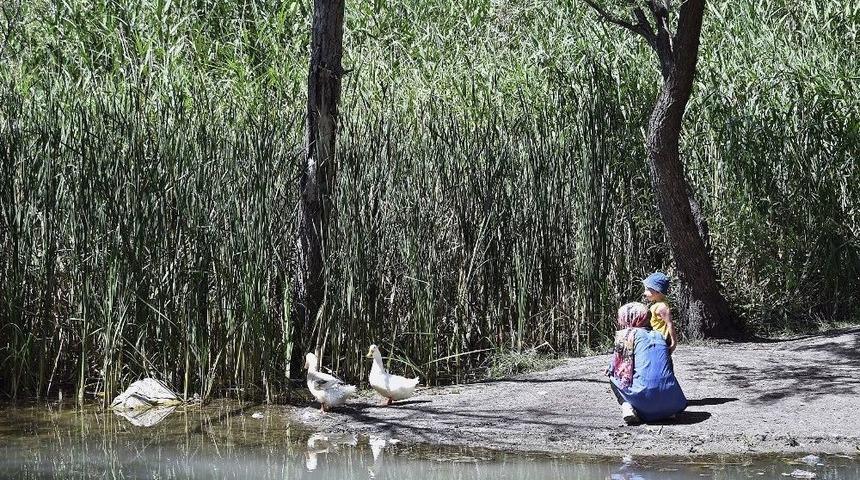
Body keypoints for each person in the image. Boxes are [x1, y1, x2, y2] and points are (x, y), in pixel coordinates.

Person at [606, 302, 686, 424]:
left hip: (645, 399)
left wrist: (611, 368)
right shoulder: (659, 335)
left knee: (612, 375)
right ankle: (666, 410)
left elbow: (617, 367)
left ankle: (627, 406)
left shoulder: (627, 335)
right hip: (674, 403)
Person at [642, 272, 677, 354]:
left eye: (647, 290)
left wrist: (673, 342)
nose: (644, 293)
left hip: (661, 341)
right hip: (654, 339)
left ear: (657, 291)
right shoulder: (656, 305)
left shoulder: (662, 307)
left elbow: (669, 324)